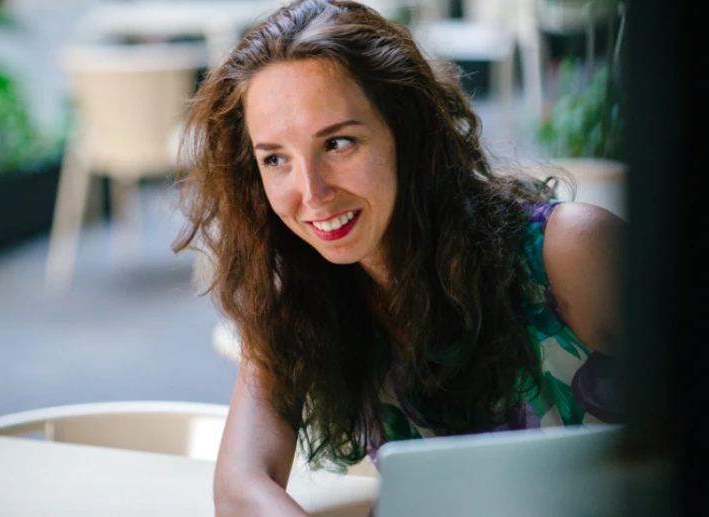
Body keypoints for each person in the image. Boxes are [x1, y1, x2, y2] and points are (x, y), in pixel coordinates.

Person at [171, 1, 625, 515]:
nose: (311, 192)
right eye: (276, 158)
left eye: (339, 143)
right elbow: (239, 483)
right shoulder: (299, 300)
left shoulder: (570, 251)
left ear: (406, 132)